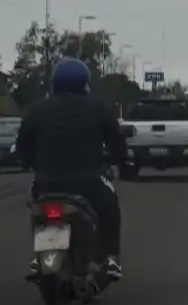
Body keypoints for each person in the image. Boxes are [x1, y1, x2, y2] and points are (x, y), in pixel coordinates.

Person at [16, 57, 128, 280]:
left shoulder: (37, 109)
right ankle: (110, 258)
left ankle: (39, 256)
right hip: (89, 182)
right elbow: (116, 142)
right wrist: (121, 158)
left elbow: (23, 146)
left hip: (46, 182)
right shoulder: (98, 107)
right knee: (110, 207)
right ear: (85, 83)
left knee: (37, 209)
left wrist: (27, 161)